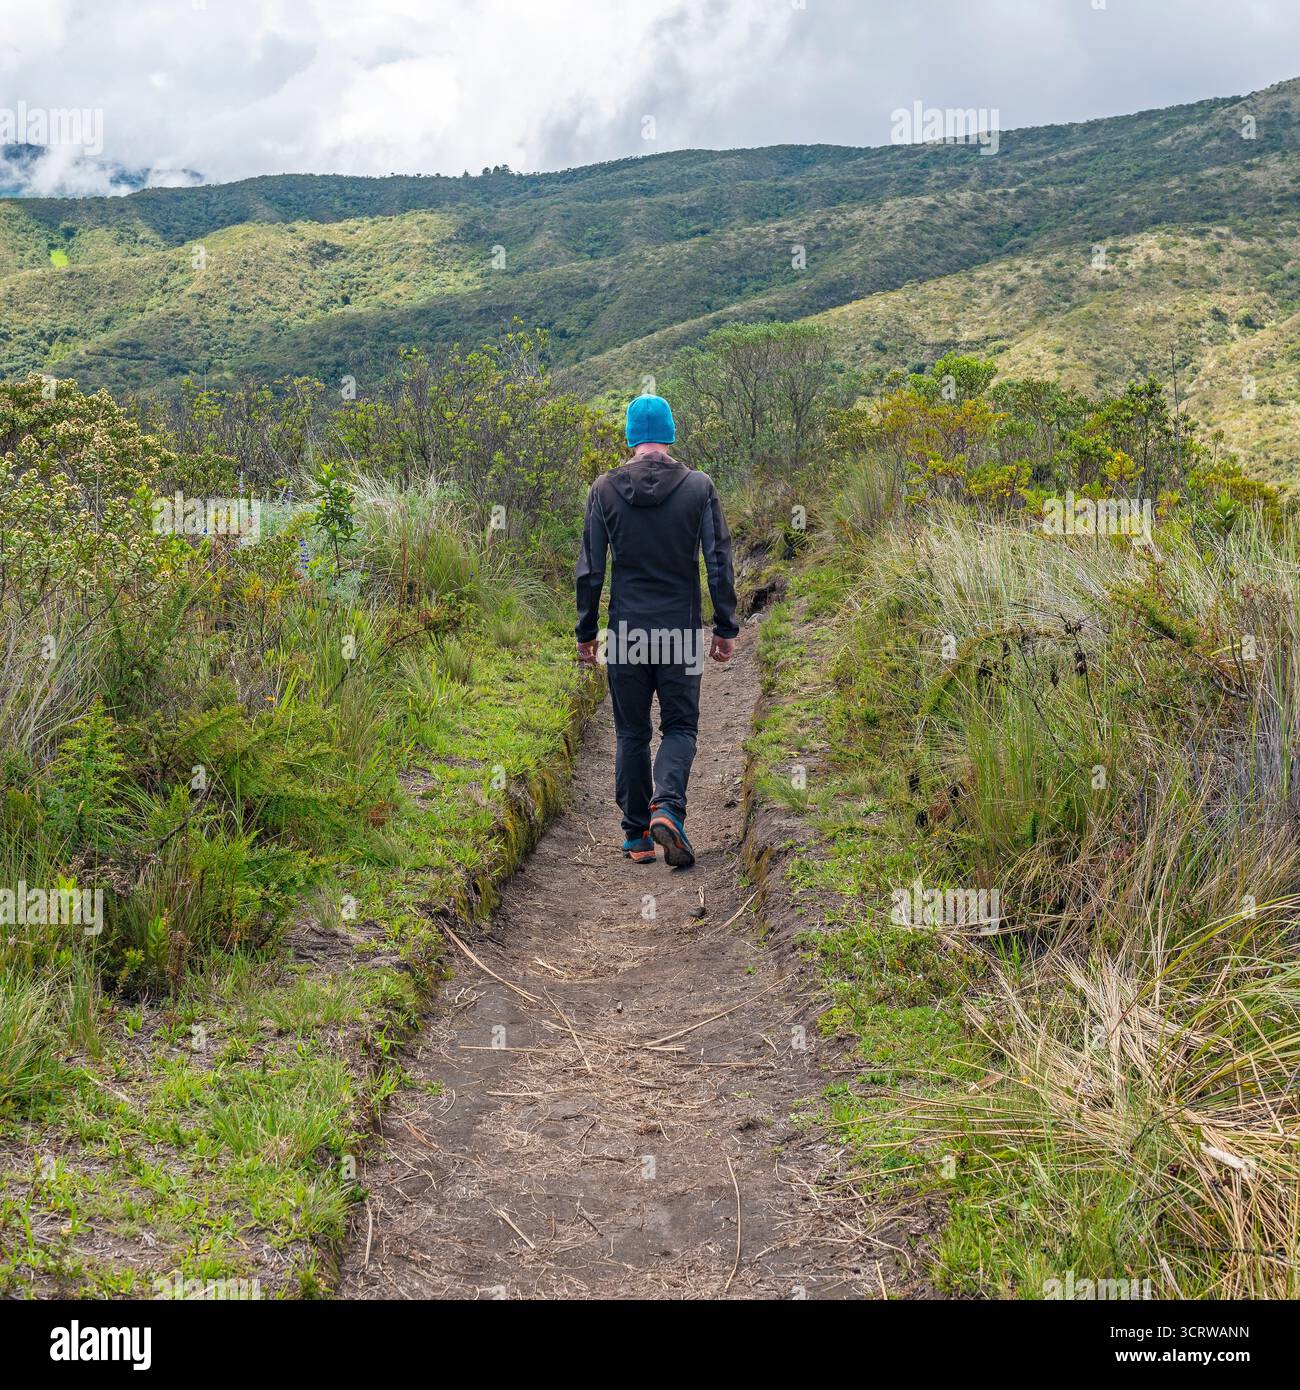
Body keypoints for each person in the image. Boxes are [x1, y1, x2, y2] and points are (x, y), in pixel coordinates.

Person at [575, 393, 739, 869]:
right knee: (681, 726)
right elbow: (718, 561)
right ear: (670, 436)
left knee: (630, 733)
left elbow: (590, 571)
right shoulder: (699, 488)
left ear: (630, 438)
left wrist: (586, 632)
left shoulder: (603, 490)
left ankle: (637, 837)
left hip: (624, 634)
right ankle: (667, 806)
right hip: (681, 634)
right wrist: (725, 625)